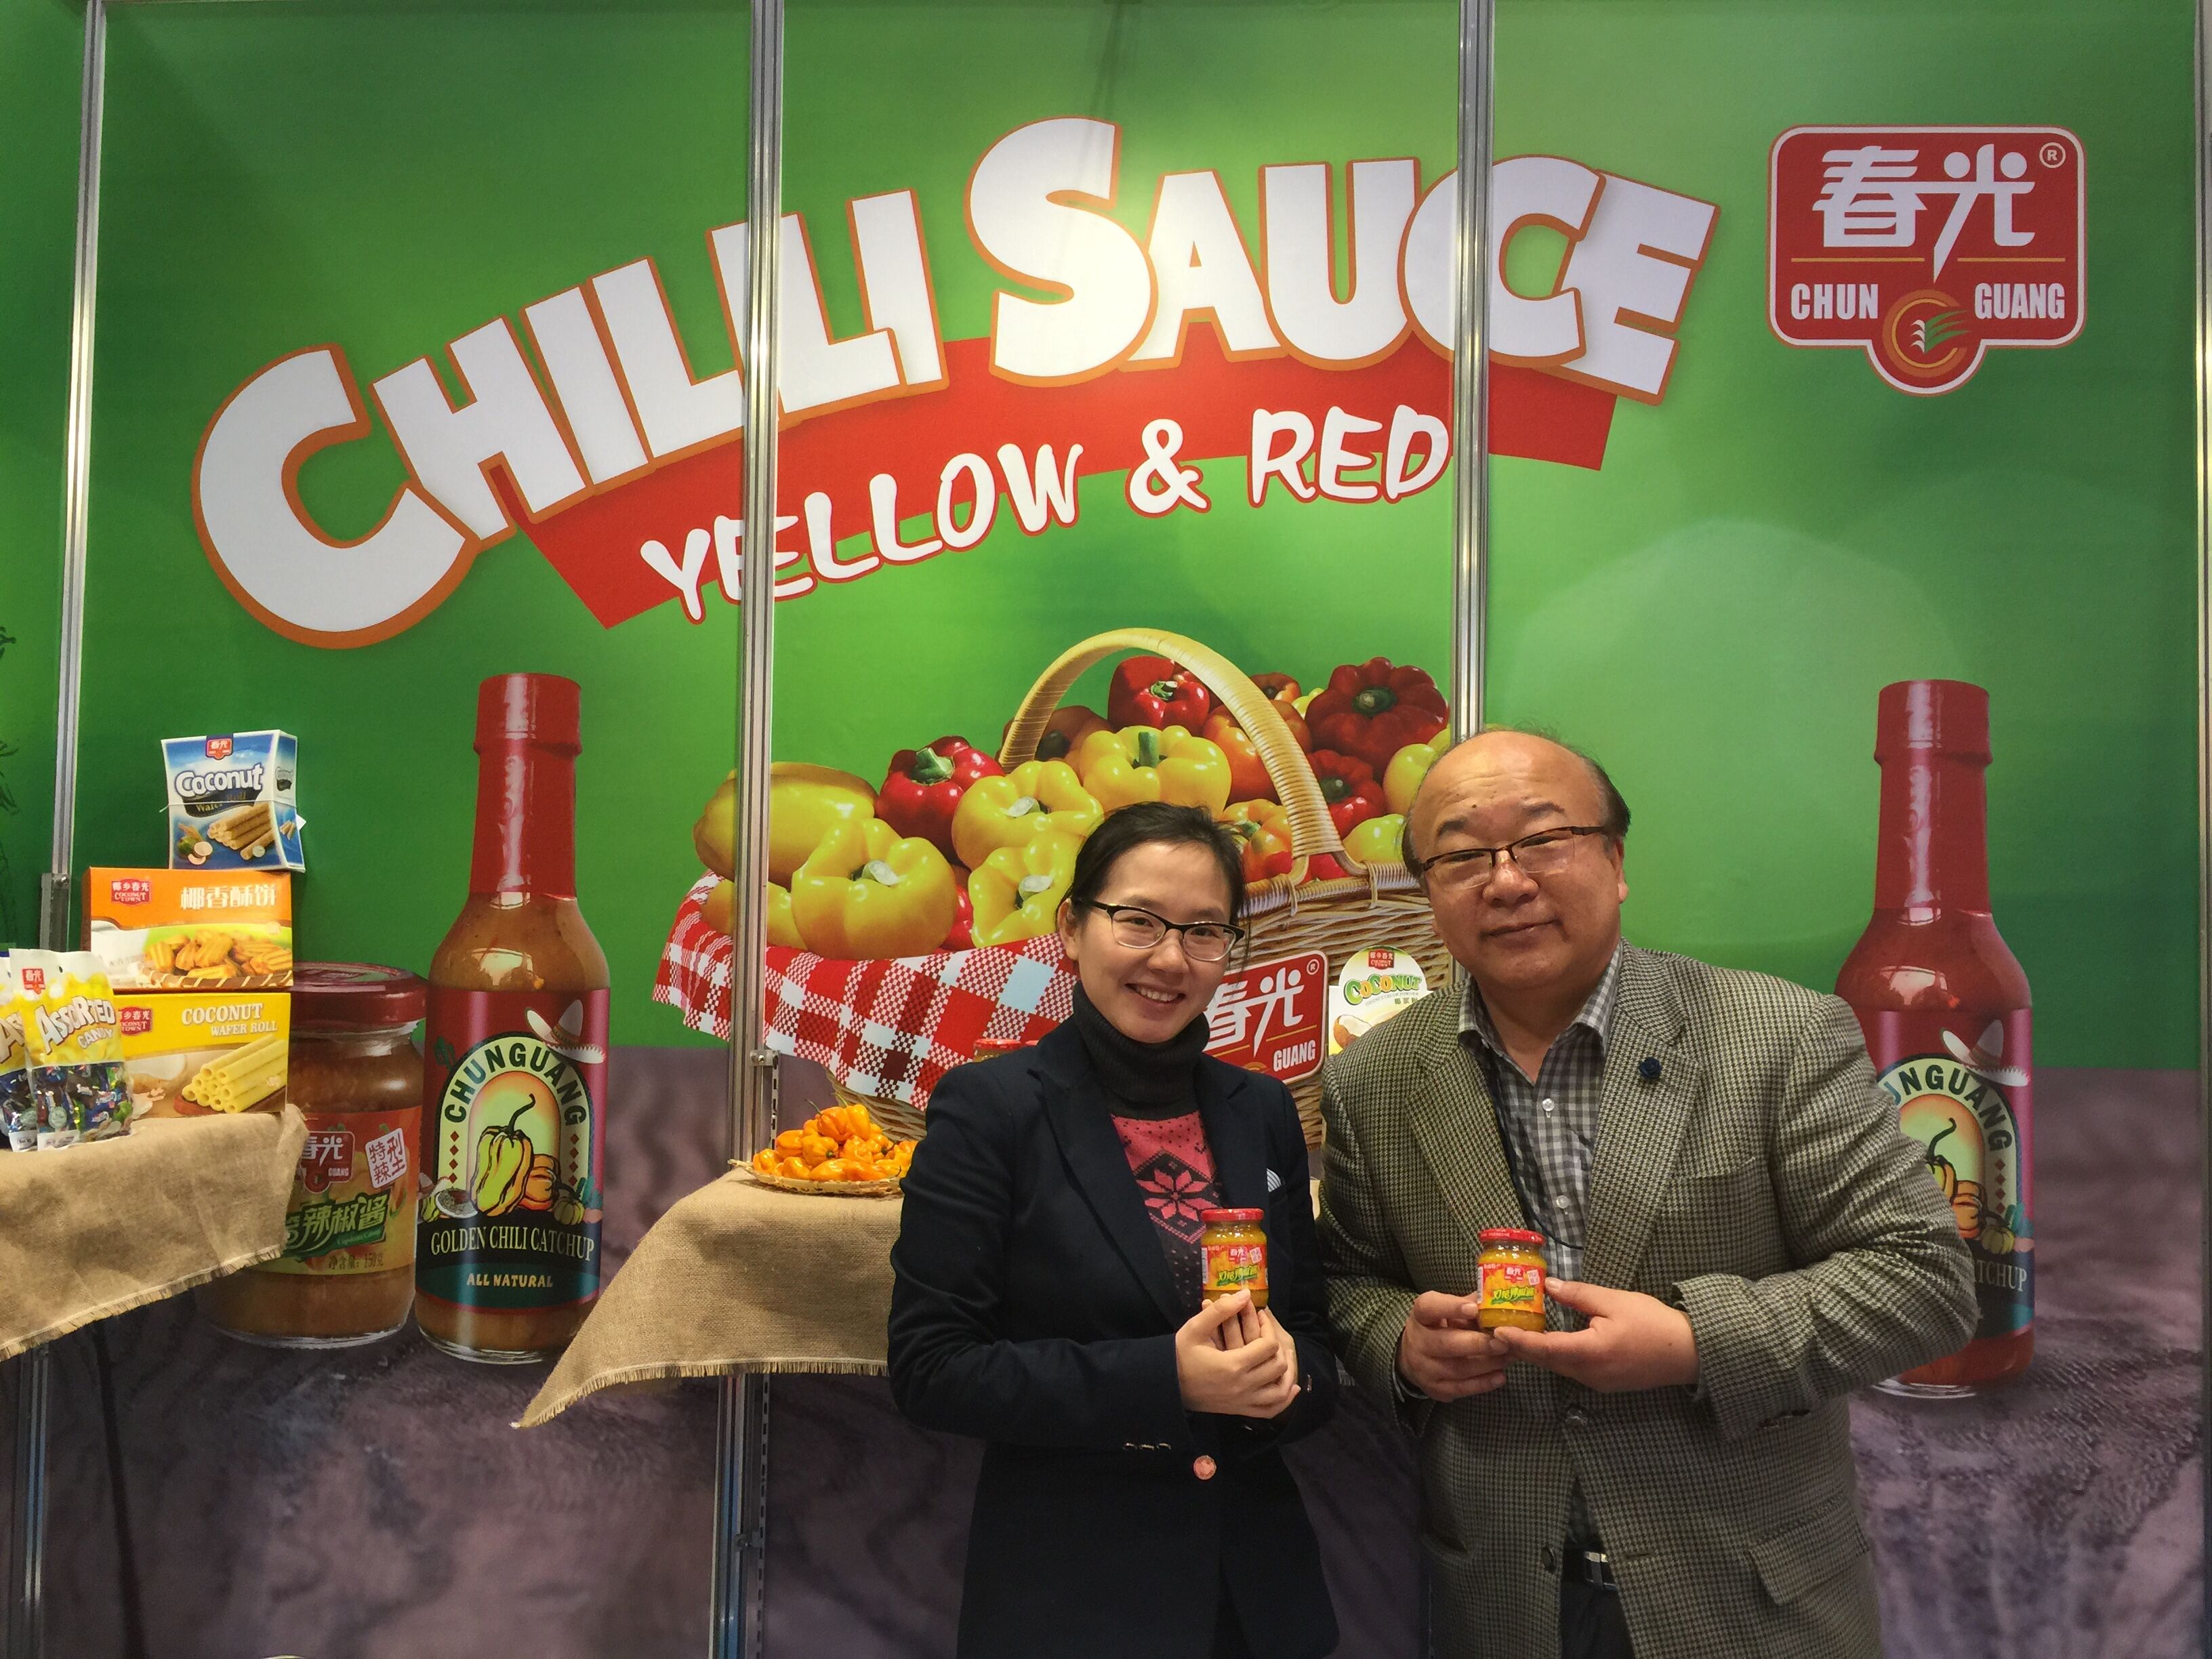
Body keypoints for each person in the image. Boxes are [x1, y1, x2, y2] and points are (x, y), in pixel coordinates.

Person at [1317, 729, 1976, 1659]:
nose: (1506, 881)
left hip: (1753, 1602)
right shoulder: (1373, 1078)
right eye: (1462, 856)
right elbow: (1349, 1282)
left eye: (1544, 839)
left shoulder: (1778, 1036)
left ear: (1616, 861)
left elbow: (1924, 1280)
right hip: (1501, 1603)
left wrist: (1696, 1341)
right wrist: (1401, 1344)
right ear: (1428, 889)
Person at [889, 801, 1340, 1659]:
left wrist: (1287, 1379)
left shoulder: (1261, 1109)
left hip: (1256, 1600)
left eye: (1204, 931)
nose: (1170, 959)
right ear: (1071, 926)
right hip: (1072, 1600)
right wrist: (1167, 1379)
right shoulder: (990, 1109)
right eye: (1138, 921)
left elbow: (1315, 1338)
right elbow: (932, 1369)